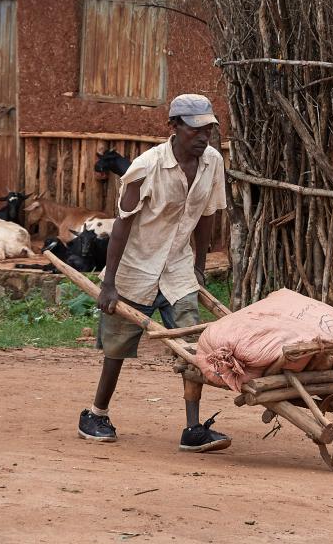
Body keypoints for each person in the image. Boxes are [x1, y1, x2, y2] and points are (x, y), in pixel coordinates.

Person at [78, 94, 230, 452]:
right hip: (136, 266)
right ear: (174, 127)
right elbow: (121, 225)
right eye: (195, 129)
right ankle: (97, 414)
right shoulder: (146, 167)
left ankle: (193, 429)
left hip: (177, 267)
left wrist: (198, 266)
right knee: (117, 345)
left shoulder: (212, 163)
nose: (203, 136)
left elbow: (207, 215)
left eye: (208, 129)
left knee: (193, 347)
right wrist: (109, 284)